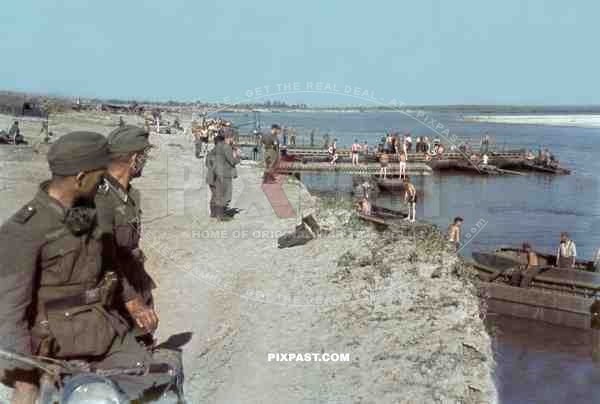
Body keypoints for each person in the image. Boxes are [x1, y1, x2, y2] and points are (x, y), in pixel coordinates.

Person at [0, 132, 182, 403]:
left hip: (106, 334)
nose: (104, 181)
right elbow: (7, 312)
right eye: (100, 174)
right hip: (56, 344)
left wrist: (133, 302)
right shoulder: (24, 231)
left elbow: (112, 266)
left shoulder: (91, 214)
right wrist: (25, 378)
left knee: (163, 388)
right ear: (81, 177)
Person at [95, 126, 158, 337]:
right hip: (117, 297)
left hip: (134, 283)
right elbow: (101, 259)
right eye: (145, 155)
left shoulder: (126, 193)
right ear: (134, 158)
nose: (146, 161)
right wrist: (132, 299)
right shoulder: (101, 197)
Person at [213, 129, 241, 220]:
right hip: (225, 173)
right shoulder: (226, 147)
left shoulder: (221, 145)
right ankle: (222, 215)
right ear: (230, 138)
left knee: (221, 194)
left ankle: (218, 213)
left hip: (220, 172)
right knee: (226, 195)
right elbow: (232, 161)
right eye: (233, 138)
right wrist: (237, 155)